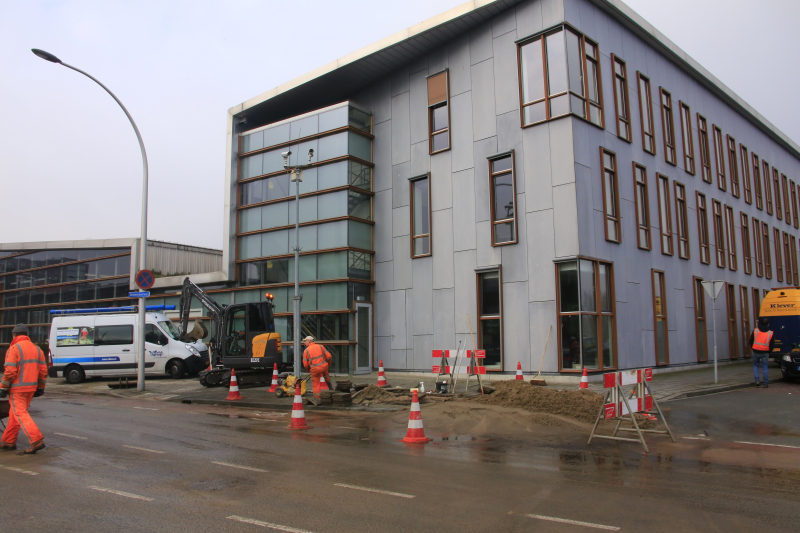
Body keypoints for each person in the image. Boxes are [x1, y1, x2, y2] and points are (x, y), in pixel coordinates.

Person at [1, 324, 48, 454]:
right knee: (15, 414)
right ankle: (8, 441)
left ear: (14, 335)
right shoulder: (37, 349)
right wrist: (40, 387)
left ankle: (36, 440)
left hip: (17, 389)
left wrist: (3, 387)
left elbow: (10, 371)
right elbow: (43, 371)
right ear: (26, 335)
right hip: (30, 389)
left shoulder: (14, 349)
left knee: (20, 413)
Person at [301, 336, 332, 401]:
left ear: (309, 341)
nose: (304, 343)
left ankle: (318, 398)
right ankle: (331, 389)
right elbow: (329, 356)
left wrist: (309, 371)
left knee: (316, 384)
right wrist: (328, 364)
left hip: (315, 370)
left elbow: (305, 365)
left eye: (305, 341)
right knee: (326, 374)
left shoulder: (306, 351)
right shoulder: (321, 346)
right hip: (324, 367)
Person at [749, 317, 775, 388]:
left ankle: (757, 381)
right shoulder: (770, 333)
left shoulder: (755, 331)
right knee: (765, 367)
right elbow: (772, 344)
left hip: (756, 351)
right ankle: (765, 383)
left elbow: (751, 341)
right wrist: (769, 351)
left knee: (755, 366)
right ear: (768, 324)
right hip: (765, 352)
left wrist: (753, 348)